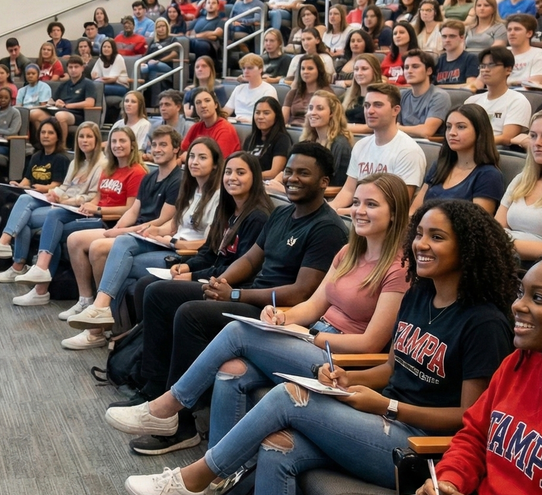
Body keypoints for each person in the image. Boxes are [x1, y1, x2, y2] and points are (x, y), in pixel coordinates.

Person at [125, 201, 516, 495]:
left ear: (467, 248)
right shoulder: (419, 295)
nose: (421, 245)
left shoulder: (483, 322)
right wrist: (347, 378)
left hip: (416, 449)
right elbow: (393, 370)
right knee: (280, 447)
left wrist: (388, 406)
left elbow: (469, 417)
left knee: (287, 398)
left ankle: (196, 480)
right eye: (419, 234)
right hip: (379, 421)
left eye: (437, 237)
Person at [107, 172, 410, 451]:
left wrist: (312, 336)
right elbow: (312, 306)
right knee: (231, 371)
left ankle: (168, 407)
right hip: (312, 336)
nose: (358, 210)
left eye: (371, 204)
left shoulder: (398, 269)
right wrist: (283, 318)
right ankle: (218, 472)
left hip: (337, 358)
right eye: (356, 202)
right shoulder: (348, 253)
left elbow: (372, 343)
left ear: (394, 212)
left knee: (237, 331)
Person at [298, 260, 542, 495]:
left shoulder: (493, 331)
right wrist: (448, 483)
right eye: (521, 293)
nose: (519, 305)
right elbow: (472, 437)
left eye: (538, 298)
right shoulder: (518, 363)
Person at [127, 143, 350, 451]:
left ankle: (182, 424)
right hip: (249, 294)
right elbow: (250, 259)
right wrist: (222, 280)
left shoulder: (328, 228)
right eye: (289, 171)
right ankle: (153, 391)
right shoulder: (282, 213)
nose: (292, 178)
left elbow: (302, 291)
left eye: (303, 173)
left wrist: (233, 292)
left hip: (274, 313)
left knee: (191, 313)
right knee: (158, 292)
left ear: (325, 182)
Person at [67, 135, 216, 335]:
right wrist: (156, 231)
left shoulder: (217, 196)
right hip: (168, 243)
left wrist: (170, 239)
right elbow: (172, 225)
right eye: (192, 157)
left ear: (215, 164)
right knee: (121, 245)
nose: (195, 162)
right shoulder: (191, 189)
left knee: (115, 259)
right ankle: (103, 315)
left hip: (185, 253)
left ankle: (102, 318)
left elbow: (208, 243)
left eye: (202, 158)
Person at [0, 122, 103, 281]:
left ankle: (17, 264)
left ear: (97, 140)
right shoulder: (76, 162)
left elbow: (91, 196)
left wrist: (65, 199)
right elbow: (64, 187)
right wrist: (54, 193)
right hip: (62, 203)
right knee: (24, 199)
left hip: (75, 208)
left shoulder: (102, 164)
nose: (84, 140)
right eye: (81, 136)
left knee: (24, 218)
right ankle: (6, 249)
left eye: (89, 136)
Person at [329, 83, 426, 210]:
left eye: (378, 105)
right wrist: (330, 210)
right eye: (367, 105)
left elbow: (397, 204)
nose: (370, 111)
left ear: (395, 110)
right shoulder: (361, 145)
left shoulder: (409, 151)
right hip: (359, 213)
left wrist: (348, 211)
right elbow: (348, 191)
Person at [409, 105, 504, 215]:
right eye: (448, 127)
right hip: (422, 230)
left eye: (461, 127)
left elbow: (479, 226)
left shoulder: (488, 175)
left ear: (479, 132)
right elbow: (414, 211)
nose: (451, 133)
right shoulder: (440, 165)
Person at [497, 109, 542, 261]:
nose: (537, 143)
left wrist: (504, 245)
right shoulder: (521, 179)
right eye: (533, 136)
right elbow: (497, 227)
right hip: (503, 257)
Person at [465, 46, 532, 147]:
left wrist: (471, 142)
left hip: (497, 153)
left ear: (508, 69)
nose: (485, 70)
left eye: (491, 65)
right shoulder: (472, 101)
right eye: (482, 66)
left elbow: (506, 138)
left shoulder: (518, 100)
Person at [29, 54, 96, 148]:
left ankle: (62, 146)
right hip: (58, 111)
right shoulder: (64, 84)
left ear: (82, 68)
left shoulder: (88, 83)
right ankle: (43, 144)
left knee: (60, 115)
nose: (73, 70)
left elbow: (90, 103)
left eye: (76, 67)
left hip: (75, 115)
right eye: (70, 67)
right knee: (34, 113)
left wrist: (68, 106)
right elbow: (51, 100)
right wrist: (55, 102)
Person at [294, 89, 352, 188]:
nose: (313, 113)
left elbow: (339, 186)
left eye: (319, 108)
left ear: (332, 113)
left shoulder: (341, 144)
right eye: (310, 108)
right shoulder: (308, 140)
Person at [398, 49, 450, 138]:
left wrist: (397, 129)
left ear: (429, 71)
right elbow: (391, 125)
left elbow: (427, 131)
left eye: (415, 66)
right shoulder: (401, 95)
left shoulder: (439, 96)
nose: (409, 71)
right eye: (406, 67)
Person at [180, 89, 241, 157]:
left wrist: (188, 156)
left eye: (207, 101)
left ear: (216, 105)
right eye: (198, 102)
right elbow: (182, 151)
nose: (203, 105)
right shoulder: (196, 127)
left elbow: (218, 160)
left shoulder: (226, 129)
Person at [242, 97, 290, 180]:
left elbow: (274, 173)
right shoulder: (250, 138)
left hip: (267, 184)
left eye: (266, 113)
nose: (260, 117)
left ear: (276, 116)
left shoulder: (282, 139)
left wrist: (248, 176)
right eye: (257, 113)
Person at [223, 54, 277, 123]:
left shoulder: (268, 90)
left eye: (250, 68)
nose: (245, 71)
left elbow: (268, 117)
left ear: (260, 69)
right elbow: (225, 112)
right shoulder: (238, 89)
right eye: (243, 68)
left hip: (257, 127)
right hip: (236, 125)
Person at [282, 55, 331, 126]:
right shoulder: (293, 93)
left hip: (313, 131)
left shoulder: (327, 94)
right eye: (303, 68)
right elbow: (283, 121)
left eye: (310, 68)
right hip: (292, 130)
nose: (305, 72)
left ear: (319, 70)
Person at [341, 53, 382, 129]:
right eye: (356, 69)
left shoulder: (382, 96)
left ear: (375, 71)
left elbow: (375, 127)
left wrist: (343, 128)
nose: (359, 73)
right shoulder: (345, 96)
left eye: (364, 69)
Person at [433, 19, 480, 85]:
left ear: (462, 38)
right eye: (444, 36)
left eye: (452, 36)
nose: (447, 40)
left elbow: (471, 87)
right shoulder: (438, 60)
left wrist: (440, 87)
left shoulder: (471, 58)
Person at [503, 13, 542, 85]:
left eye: (517, 29)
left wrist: (505, 84)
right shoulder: (499, 54)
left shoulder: (538, 54)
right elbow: (481, 80)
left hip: (526, 93)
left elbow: (534, 82)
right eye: (509, 30)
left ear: (529, 33)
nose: (512, 33)